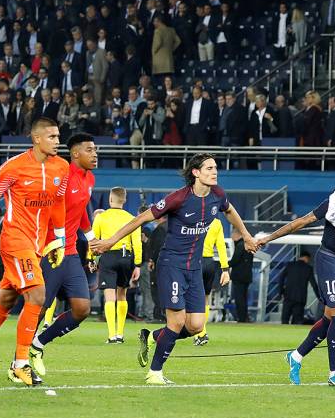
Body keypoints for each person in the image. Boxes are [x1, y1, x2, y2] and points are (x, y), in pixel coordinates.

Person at [90, 153, 258, 385]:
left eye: (215, 167)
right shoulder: (177, 199)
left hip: (195, 268)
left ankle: (153, 337)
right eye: (209, 168)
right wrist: (109, 241)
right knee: (177, 322)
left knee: (196, 325)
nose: (214, 171)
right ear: (196, 173)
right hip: (171, 265)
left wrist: (247, 236)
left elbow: (230, 211)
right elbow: (139, 219)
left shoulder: (218, 195)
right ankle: (154, 373)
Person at [0, 117, 68, 387]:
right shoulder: (14, 167)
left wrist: (59, 240)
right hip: (14, 240)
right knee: (37, 293)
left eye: (58, 136)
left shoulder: (62, 167)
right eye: (52, 137)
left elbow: (57, 203)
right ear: (37, 139)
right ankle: (21, 363)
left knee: (7, 298)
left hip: (38, 245)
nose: (57, 141)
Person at [258, 161, 335, 388]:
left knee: (330, 318)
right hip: (328, 260)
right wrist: (268, 238)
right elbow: (301, 222)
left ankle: (295, 356)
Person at [26, 133, 99, 375]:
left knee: (82, 309)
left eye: (95, 149)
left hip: (70, 253)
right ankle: (19, 361)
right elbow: (46, 207)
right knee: (39, 308)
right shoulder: (63, 175)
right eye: (89, 150)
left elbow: (82, 211)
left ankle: (38, 344)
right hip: (50, 251)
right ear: (75, 153)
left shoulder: (90, 179)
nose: (95, 154)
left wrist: (90, 240)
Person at [92, 187, 141, 344]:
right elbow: (137, 243)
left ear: (110, 199)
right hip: (126, 257)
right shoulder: (132, 218)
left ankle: (111, 335)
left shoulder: (101, 217)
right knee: (122, 295)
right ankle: (120, 334)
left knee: (109, 296)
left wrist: (91, 259)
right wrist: (138, 265)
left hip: (108, 257)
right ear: (124, 200)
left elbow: (93, 241)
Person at [193, 217, 230, 345]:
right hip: (209, 263)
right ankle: (202, 332)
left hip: (194, 261)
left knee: (191, 297)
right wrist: (225, 269)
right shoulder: (216, 222)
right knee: (205, 298)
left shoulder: (192, 217)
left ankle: (199, 332)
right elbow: (221, 246)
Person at [277, 250, 317, 325]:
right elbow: (314, 284)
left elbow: (281, 278)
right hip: (300, 298)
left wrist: (281, 292)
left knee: (285, 319)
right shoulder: (308, 268)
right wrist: (319, 296)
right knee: (297, 321)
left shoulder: (290, 265)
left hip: (288, 296)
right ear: (306, 258)